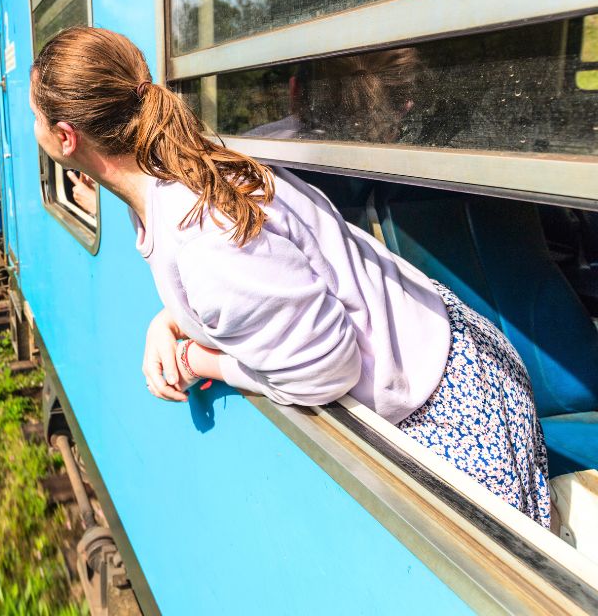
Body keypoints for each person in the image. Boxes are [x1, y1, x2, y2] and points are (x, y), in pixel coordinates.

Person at [29, 26, 550, 527]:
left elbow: (325, 372)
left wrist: (197, 359)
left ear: (66, 137)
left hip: (453, 408)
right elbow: (268, 276)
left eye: (36, 117)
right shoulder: (177, 172)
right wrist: (169, 321)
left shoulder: (200, 238)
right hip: (441, 348)